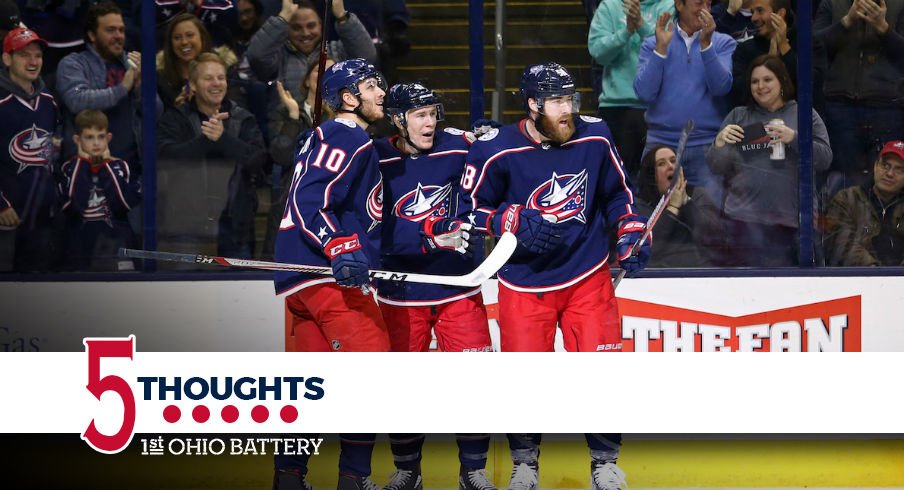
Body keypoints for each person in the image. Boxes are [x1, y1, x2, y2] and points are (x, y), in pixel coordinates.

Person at [466, 61, 643, 487]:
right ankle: (525, 462)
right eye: (557, 101)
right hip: (524, 283)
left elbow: (617, 194)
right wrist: (506, 218)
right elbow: (467, 209)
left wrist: (630, 228)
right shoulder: (497, 149)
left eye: (571, 99)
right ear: (532, 105)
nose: (568, 110)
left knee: (599, 376)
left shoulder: (596, 135)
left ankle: (605, 462)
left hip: (587, 276)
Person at [271, 58, 390, 490]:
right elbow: (308, 201)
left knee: (308, 391)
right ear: (348, 97)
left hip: (303, 284)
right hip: (328, 278)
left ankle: (289, 477)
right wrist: (338, 244)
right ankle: (354, 479)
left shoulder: (331, 136)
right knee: (372, 375)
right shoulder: (346, 136)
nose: (381, 92)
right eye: (373, 85)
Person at [375, 81, 492, 353]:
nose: (430, 124)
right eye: (420, 115)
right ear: (397, 119)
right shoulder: (374, 158)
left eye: (432, 113)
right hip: (400, 294)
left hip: (459, 287)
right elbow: (372, 226)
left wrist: (497, 137)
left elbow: (506, 154)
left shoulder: (458, 146)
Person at [706, 55, 832, 266]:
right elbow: (716, 166)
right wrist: (719, 144)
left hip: (792, 224)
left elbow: (824, 159)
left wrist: (793, 138)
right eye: (755, 81)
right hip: (743, 223)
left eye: (767, 79)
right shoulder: (738, 116)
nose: (760, 86)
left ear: (781, 81)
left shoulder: (805, 115)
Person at [157, 52, 266, 258]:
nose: (216, 84)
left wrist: (223, 139)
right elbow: (167, 158)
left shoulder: (243, 118)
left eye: (221, 77)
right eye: (208, 78)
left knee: (238, 290)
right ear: (193, 84)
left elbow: (258, 160)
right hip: (187, 226)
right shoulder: (175, 118)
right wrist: (205, 140)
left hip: (235, 227)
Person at [634, 0, 737, 203]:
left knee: (709, 218)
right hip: (661, 144)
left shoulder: (723, 42)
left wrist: (706, 45)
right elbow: (644, 93)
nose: (705, 10)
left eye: (708, 4)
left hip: (707, 145)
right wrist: (661, 49)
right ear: (679, 5)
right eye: (699, 3)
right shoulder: (653, 42)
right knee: (653, 212)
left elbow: (721, 87)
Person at [814, 0, 904, 193]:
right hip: (840, 104)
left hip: (888, 106)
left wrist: (883, 28)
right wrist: (847, 21)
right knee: (843, 179)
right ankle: (844, 222)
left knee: (887, 181)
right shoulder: (831, 3)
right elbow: (813, 47)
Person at [587, 0, 674, 177]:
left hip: (657, 107)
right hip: (615, 107)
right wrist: (626, 32)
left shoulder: (668, 5)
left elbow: (674, 52)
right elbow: (597, 52)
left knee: (657, 182)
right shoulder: (609, 6)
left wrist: (641, 25)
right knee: (615, 178)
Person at [263, 56, 336, 259]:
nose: (324, 76)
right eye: (318, 70)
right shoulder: (285, 111)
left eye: (331, 72)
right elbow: (281, 155)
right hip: (289, 197)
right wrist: (294, 116)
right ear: (306, 79)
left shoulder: (342, 120)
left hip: (328, 201)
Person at [0, 27, 60, 272]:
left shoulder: (49, 102)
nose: (33, 61)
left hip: (41, 216)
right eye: (25, 54)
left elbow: (52, 153)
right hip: (7, 217)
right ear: (7, 59)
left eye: (37, 55)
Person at [56, 1, 142, 168]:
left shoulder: (131, 64)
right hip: (86, 169)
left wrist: (139, 86)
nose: (118, 35)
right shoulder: (73, 63)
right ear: (92, 35)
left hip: (130, 168)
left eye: (121, 30)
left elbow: (156, 110)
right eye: (110, 30)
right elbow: (77, 101)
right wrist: (122, 88)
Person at [58, 109, 140, 271]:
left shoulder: (121, 167)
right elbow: (73, 207)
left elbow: (122, 205)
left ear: (108, 138)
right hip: (79, 247)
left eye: (101, 137)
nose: (96, 143)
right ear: (77, 140)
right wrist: (82, 164)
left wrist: (105, 166)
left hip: (116, 246)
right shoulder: (68, 169)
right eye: (89, 137)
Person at [246, 0, 377, 101]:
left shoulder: (337, 50)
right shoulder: (278, 56)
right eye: (296, 27)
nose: (305, 33)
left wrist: (342, 17)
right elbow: (256, 56)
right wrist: (283, 17)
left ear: (321, 24)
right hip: (289, 130)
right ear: (286, 28)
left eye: (311, 25)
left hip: (333, 127)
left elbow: (366, 59)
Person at [728, 0, 827, 110]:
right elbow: (739, 92)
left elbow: (812, 84)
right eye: (752, 12)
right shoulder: (745, 49)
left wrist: (784, 48)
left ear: (780, 14)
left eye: (760, 11)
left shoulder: (807, 43)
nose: (753, 18)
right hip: (758, 120)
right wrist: (768, 61)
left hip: (800, 119)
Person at [826, 140, 904, 266]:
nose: (890, 174)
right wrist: (875, 272)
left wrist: (897, 277)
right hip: (859, 281)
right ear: (875, 166)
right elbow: (841, 243)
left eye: (899, 169)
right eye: (885, 165)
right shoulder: (847, 199)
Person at [634, 144, 708, 266]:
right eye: (661, 163)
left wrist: (686, 202)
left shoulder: (697, 195)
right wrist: (673, 207)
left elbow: (711, 239)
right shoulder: (638, 206)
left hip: (702, 274)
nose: (671, 166)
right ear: (651, 176)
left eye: (674, 161)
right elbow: (647, 247)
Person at [156, 13, 238, 111]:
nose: (184, 42)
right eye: (177, 38)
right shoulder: (160, 77)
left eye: (190, 35)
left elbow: (237, 109)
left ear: (202, 38)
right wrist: (178, 109)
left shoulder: (225, 68)